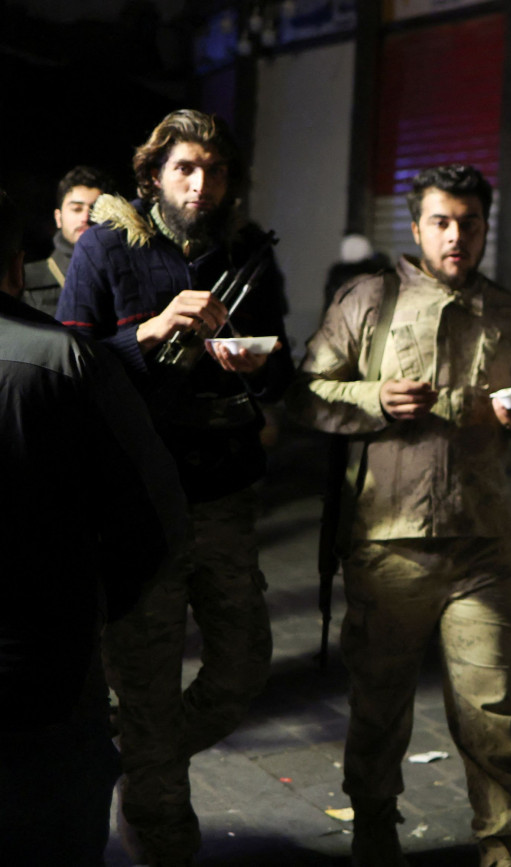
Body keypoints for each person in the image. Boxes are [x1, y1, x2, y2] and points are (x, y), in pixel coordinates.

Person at [287, 163, 511, 867]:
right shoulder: (368, 301)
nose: (456, 235)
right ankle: (375, 835)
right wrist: (373, 398)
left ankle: (505, 848)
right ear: (415, 228)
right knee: (378, 709)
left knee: (491, 713)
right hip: (388, 542)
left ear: (486, 228)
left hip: (481, 543)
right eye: (441, 221)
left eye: (470, 222)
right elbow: (305, 393)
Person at [56, 108, 292, 866]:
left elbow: (283, 373)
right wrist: (150, 332)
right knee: (148, 686)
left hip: (223, 496)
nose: (201, 184)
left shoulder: (248, 253)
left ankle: (138, 749)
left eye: (215, 171)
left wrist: (261, 365)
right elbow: (68, 370)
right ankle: (163, 839)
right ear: (153, 174)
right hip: (137, 506)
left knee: (242, 668)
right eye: (186, 168)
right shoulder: (105, 247)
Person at [0, 189, 186, 865]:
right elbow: (158, 518)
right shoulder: (70, 361)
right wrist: (95, 605)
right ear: (17, 263)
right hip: (46, 672)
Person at [21, 165, 114, 317]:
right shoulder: (26, 280)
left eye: (96, 210)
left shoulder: (125, 277)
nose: (85, 218)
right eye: (77, 209)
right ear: (58, 218)